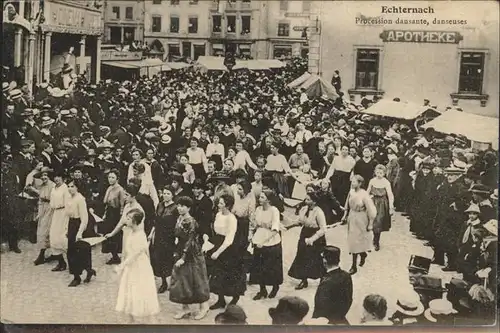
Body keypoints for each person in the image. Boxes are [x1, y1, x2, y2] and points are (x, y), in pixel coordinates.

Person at [169, 196, 210, 320]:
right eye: (179, 205)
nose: (180, 208)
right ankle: (185, 308)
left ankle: (204, 307)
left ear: (189, 208)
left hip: (191, 253)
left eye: (183, 206)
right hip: (181, 250)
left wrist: (183, 257)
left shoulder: (190, 221)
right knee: (181, 279)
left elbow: (191, 240)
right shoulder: (179, 218)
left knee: (196, 279)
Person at [115, 208, 160, 321]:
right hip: (132, 266)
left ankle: (142, 319)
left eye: (129, 218)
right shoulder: (131, 232)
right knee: (129, 289)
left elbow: (136, 254)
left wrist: (122, 266)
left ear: (135, 221)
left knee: (139, 290)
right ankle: (131, 319)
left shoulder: (140, 235)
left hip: (139, 266)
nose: (126, 220)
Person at [207, 194, 246, 309]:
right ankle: (221, 300)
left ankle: (235, 297)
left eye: (221, 203)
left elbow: (229, 239)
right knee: (218, 274)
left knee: (229, 273)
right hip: (218, 243)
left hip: (229, 248)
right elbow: (216, 232)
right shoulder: (218, 214)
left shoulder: (232, 218)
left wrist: (218, 252)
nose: (218, 205)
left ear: (227, 206)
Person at [287, 191, 327, 290]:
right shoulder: (304, 209)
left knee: (316, 258)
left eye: (308, 199)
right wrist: (289, 226)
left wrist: (312, 239)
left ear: (314, 202)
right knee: (302, 256)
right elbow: (300, 222)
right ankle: (303, 280)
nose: (306, 201)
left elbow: (323, 229)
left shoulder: (319, 212)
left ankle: (323, 278)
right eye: (305, 199)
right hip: (305, 233)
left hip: (316, 237)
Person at [249, 188, 283, 300]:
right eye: (260, 197)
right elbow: (255, 225)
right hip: (259, 238)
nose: (260, 199)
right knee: (259, 267)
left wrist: (263, 242)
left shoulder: (274, 210)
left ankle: (275, 287)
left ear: (268, 200)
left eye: (262, 197)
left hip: (271, 241)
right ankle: (262, 290)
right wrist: (251, 235)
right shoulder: (258, 209)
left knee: (272, 267)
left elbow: (275, 230)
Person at [341, 174, 377, 275]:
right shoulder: (351, 191)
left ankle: (356, 262)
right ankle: (357, 260)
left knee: (358, 241)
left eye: (354, 182)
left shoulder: (364, 194)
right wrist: (345, 215)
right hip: (352, 217)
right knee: (353, 241)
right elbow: (347, 203)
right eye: (351, 181)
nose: (352, 183)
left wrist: (370, 223)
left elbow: (371, 210)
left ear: (360, 183)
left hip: (361, 218)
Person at [65, 179, 96, 287]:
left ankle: (88, 270)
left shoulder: (80, 199)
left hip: (80, 225)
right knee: (71, 251)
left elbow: (84, 218)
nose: (70, 188)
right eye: (68, 186)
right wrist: (67, 229)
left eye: (72, 186)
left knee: (82, 251)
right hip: (71, 224)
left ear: (77, 187)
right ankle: (76, 276)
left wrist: (80, 233)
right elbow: (67, 215)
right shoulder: (69, 198)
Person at [312, 245, 352, 324]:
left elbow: (320, 310)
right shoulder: (346, 276)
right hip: (340, 319)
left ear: (325, 261)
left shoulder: (326, 283)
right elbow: (348, 300)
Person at [149, 186, 178, 293]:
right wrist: (152, 234)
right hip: (159, 235)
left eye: (168, 194)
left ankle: (172, 281)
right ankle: (164, 282)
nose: (165, 196)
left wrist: (176, 238)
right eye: (164, 193)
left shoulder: (175, 208)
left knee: (169, 259)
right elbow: (155, 221)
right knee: (159, 259)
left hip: (170, 237)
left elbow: (177, 223)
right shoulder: (159, 205)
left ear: (172, 195)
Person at [366, 164, 394, 251]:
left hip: (382, 203)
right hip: (373, 202)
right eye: (377, 172)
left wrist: (391, 206)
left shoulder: (386, 182)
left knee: (378, 222)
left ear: (384, 173)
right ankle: (368, 241)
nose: (379, 174)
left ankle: (376, 241)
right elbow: (367, 191)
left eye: (381, 173)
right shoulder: (372, 181)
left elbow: (390, 194)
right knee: (369, 221)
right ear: (375, 172)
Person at [101, 169, 126, 265]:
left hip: (116, 215)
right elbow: (106, 203)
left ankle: (116, 256)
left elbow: (122, 205)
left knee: (114, 236)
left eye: (113, 177)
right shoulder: (109, 188)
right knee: (108, 235)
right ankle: (114, 255)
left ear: (117, 179)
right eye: (109, 177)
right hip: (109, 213)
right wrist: (104, 214)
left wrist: (121, 218)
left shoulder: (120, 189)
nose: (110, 179)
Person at [32, 167, 55, 265]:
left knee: (47, 232)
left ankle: (43, 255)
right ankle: (49, 254)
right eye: (42, 176)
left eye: (45, 175)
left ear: (49, 176)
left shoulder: (53, 186)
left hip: (51, 209)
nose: (43, 177)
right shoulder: (42, 186)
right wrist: (39, 214)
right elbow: (40, 201)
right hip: (43, 209)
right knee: (41, 231)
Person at [48, 170, 70, 272]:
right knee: (54, 237)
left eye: (58, 176)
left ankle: (72, 264)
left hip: (64, 214)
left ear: (62, 178)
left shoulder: (65, 188)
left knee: (64, 239)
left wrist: (67, 218)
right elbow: (52, 203)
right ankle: (61, 262)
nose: (56, 179)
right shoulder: (53, 188)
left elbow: (68, 204)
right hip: (56, 214)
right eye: (55, 177)